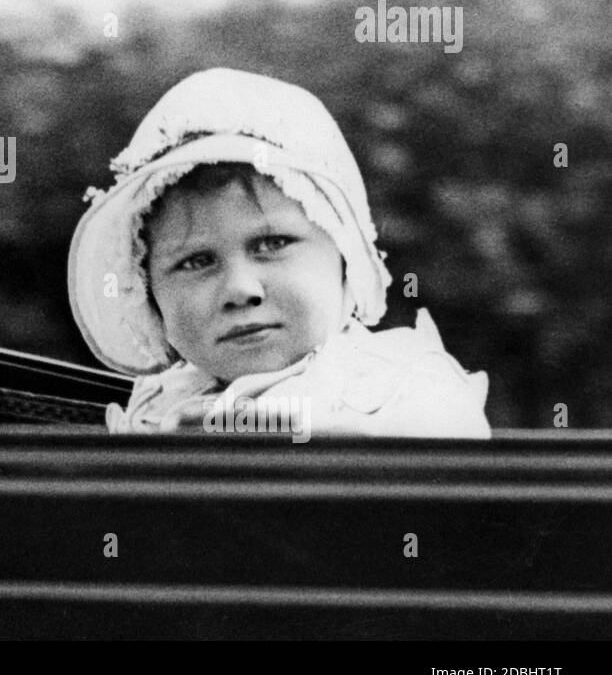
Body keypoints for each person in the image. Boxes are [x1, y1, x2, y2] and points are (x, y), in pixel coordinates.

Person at [67, 68, 489, 438]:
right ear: (150, 296)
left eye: (272, 244)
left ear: (343, 259)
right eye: (196, 261)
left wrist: (265, 438)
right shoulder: (161, 404)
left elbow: (446, 436)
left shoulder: (396, 384)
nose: (240, 289)